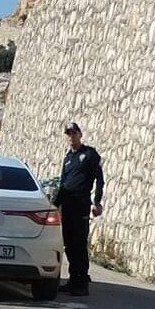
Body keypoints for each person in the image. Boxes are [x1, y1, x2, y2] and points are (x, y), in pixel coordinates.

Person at [53, 122, 105, 296]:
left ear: (80, 134)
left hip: (81, 206)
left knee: (79, 245)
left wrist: (97, 202)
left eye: (74, 133)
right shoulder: (68, 158)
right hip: (67, 207)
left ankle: (82, 282)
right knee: (68, 245)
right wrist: (53, 206)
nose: (71, 137)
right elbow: (63, 184)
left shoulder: (89, 154)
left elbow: (99, 179)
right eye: (68, 134)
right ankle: (73, 279)